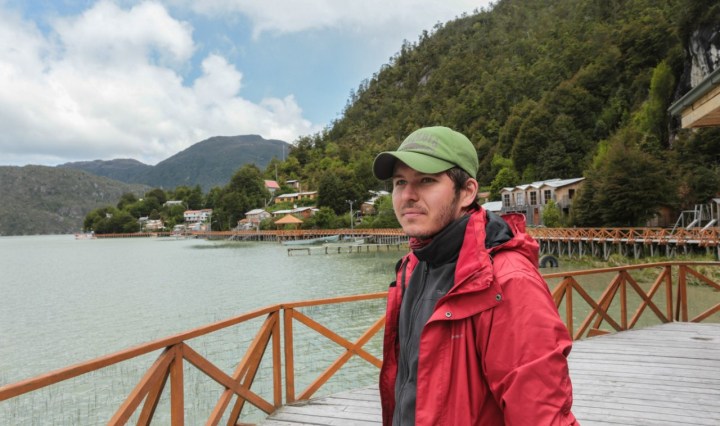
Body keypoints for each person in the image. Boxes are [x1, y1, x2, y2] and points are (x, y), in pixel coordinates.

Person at [373, 126, 578, 425]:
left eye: (426, 180)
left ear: (467, 192)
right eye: (400, 182)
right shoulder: (414, 266)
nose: (407, 195)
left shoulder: (507, 280)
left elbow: (541, 415)